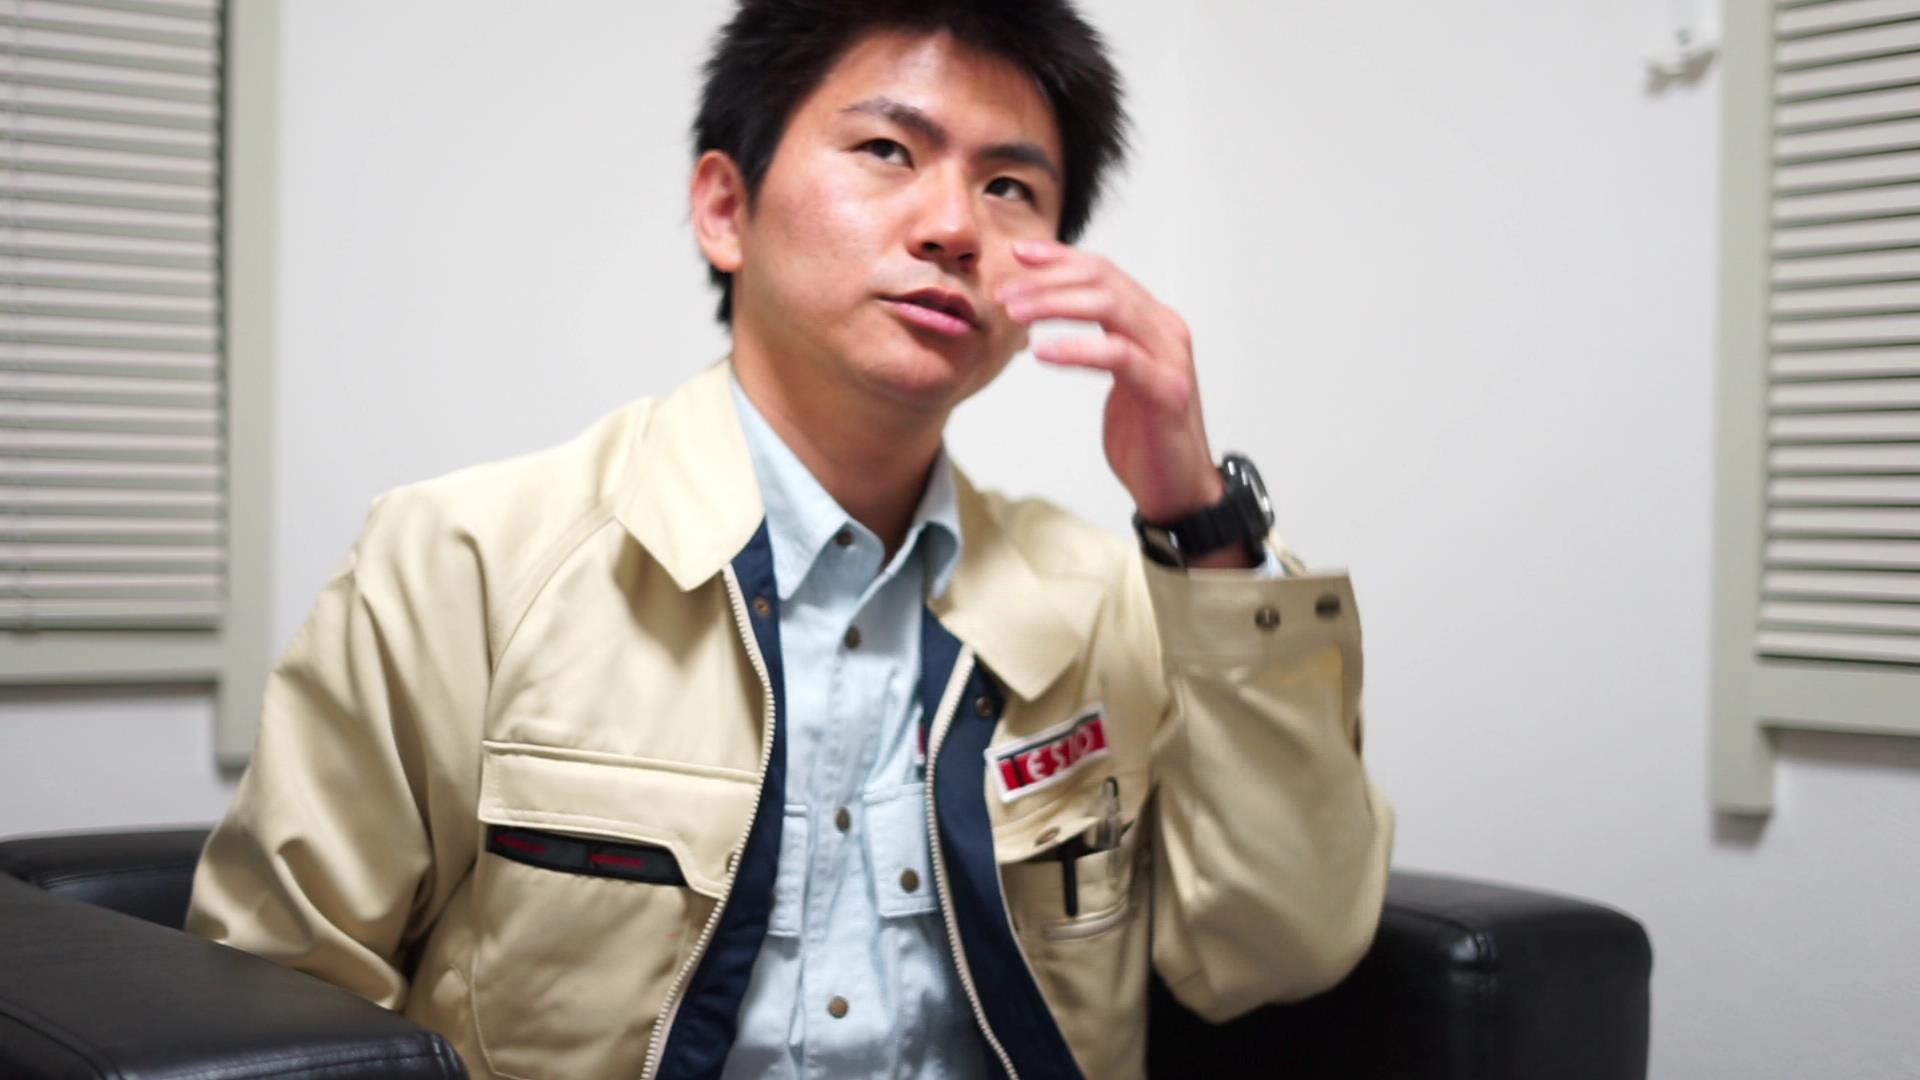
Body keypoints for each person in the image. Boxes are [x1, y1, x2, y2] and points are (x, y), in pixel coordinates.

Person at [185, 2, 1394, 1077]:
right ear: (727, 209)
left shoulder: (1106, 601)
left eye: (1010, 188)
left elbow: (1279, 949)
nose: (954, 226)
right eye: (888, 151)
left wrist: (1200, 522)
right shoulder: (463, 559)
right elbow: (277, 1009)